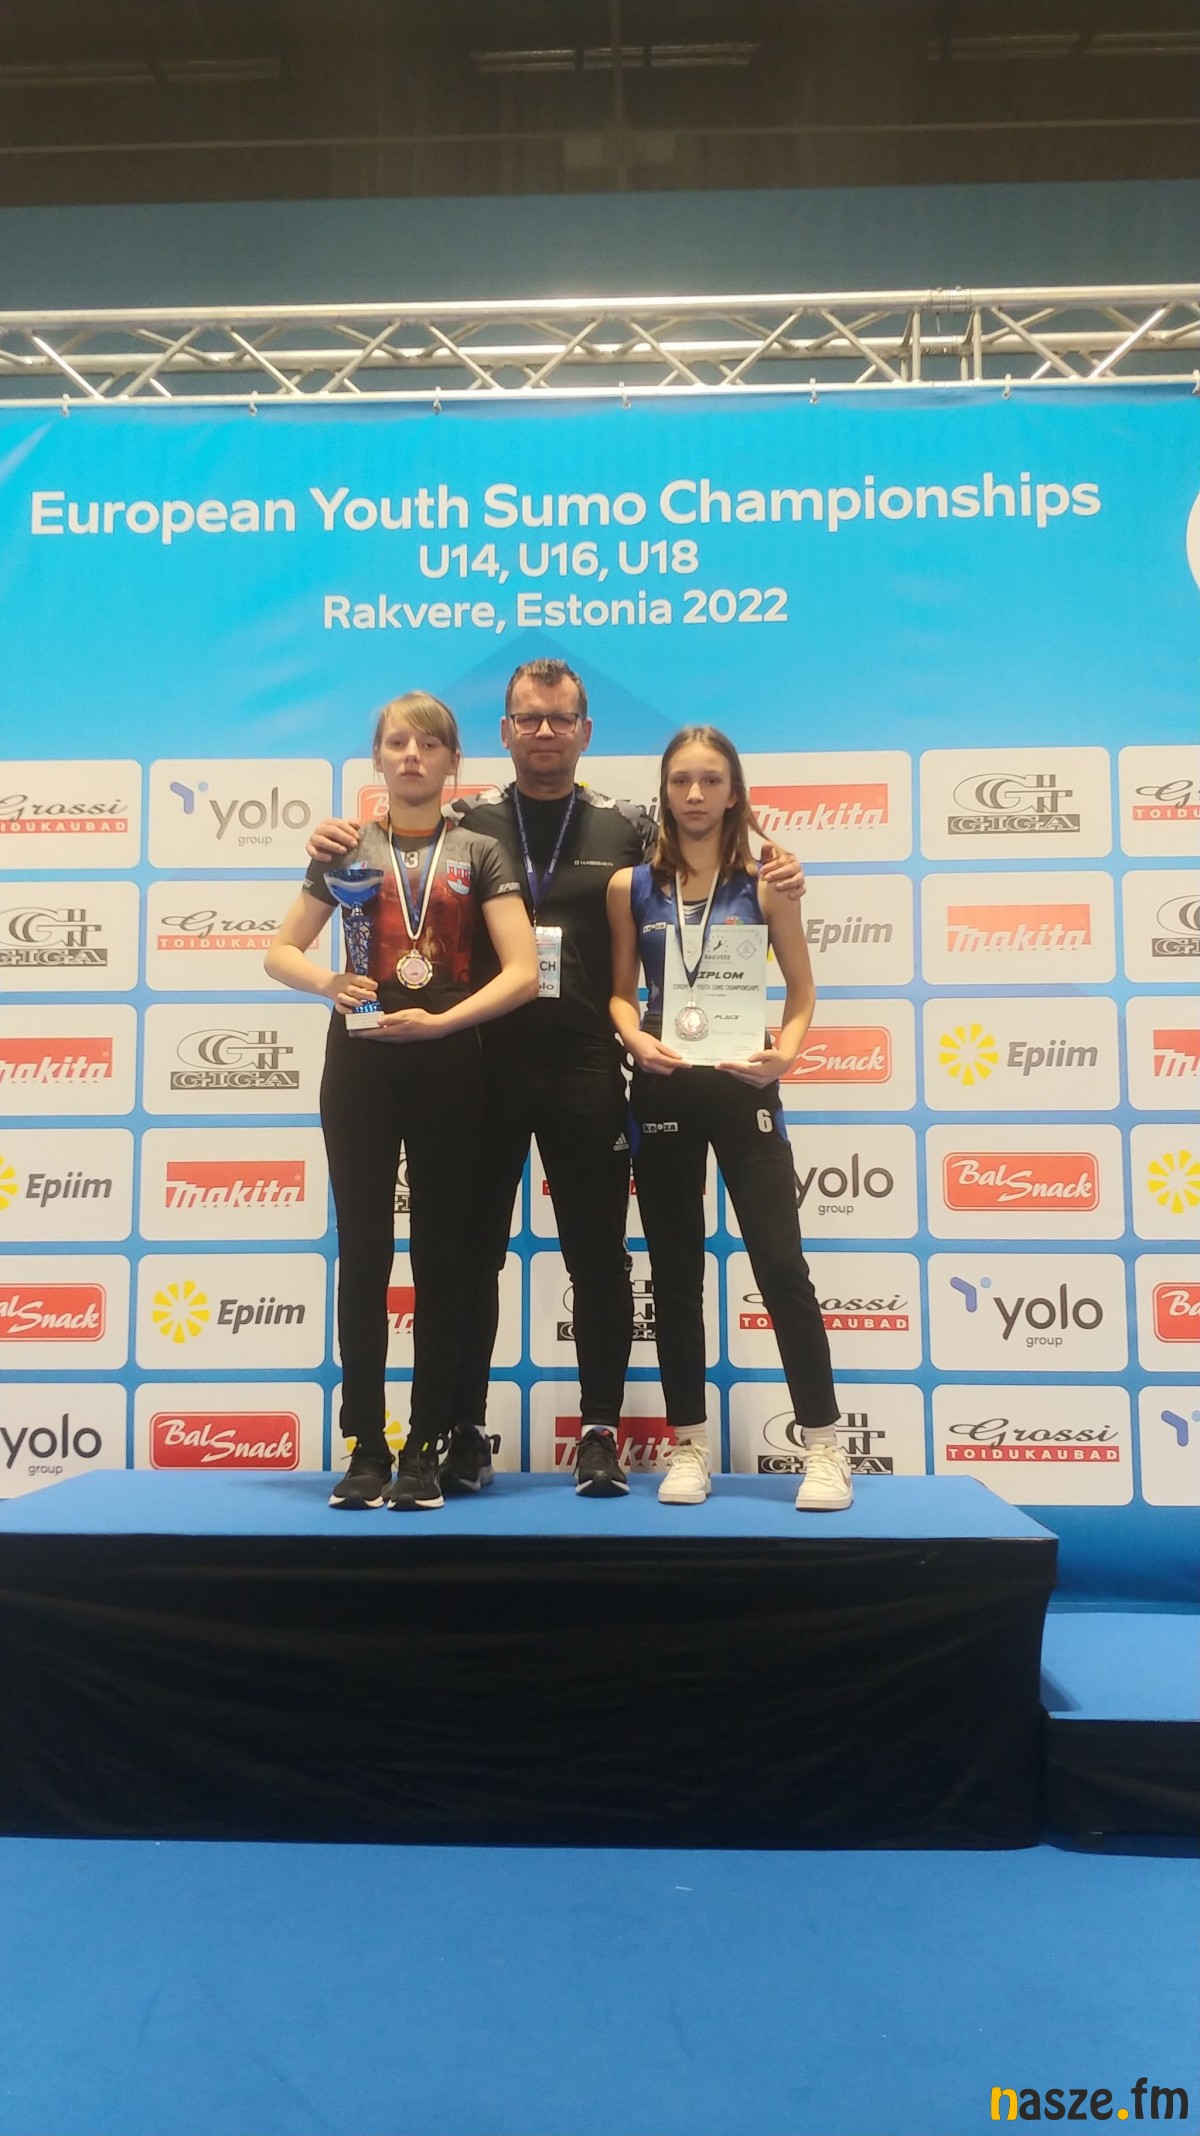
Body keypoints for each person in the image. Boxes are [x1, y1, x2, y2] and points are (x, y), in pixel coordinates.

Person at [308, 659, 805, 1500]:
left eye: (561, 719)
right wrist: (330, 840)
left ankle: (600, 1432)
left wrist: (777, 866)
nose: (545, 732)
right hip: (480, 1064)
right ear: (504, 733)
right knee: (470, 1259)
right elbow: (390, 839)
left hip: (585, 1065)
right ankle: (462, 1430)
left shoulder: (628, 827)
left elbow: (708, 856)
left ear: (586, 731)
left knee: (598, 1257)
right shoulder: (467, 824)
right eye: (529, 719)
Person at [266, 691, 538, 1512]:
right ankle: (365, 1446)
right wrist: (331, 983)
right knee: (364, 1253)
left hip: (449, 1062)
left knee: (442, 1258)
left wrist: (445, 1022)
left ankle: (426, 1443)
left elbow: (525, 972)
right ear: (378, 758)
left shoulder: (480, 850)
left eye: (428, 744)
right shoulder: (346, 847)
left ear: (454, 760)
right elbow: (279, 951)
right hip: (360, 1064)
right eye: (396, 743)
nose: (412, 756)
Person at [607, 724, 851, 1512]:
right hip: (665, 1087)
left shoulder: (768, 881)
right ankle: (688, 1447)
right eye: (681, 780)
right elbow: (619, 992)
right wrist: (632, 1035)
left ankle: (824, 1447)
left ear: (734, 791)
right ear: (664, 790)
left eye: (711, 780)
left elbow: (803, 992)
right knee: (676, 1275)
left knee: (781, 1267)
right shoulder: (630, 887)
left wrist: (787, 1056)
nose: (695, 794)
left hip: (746, 1087)